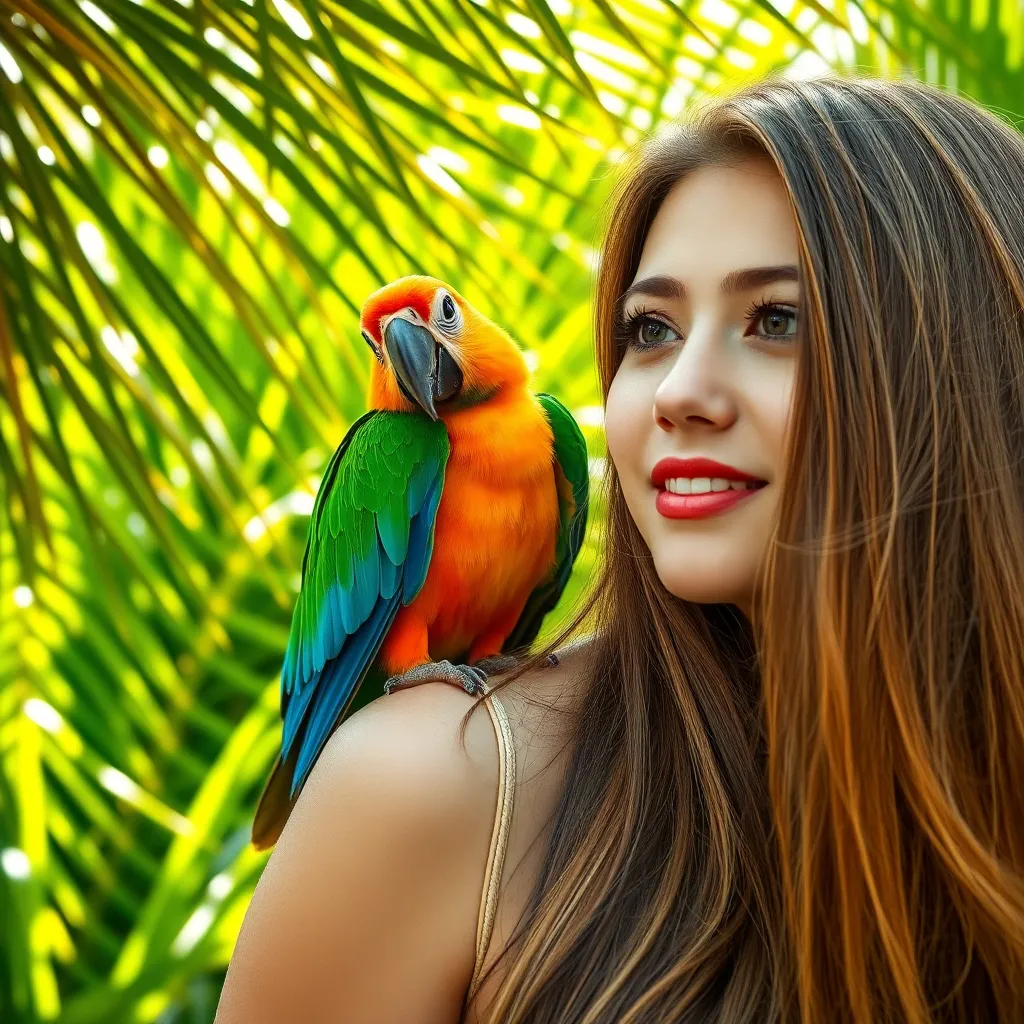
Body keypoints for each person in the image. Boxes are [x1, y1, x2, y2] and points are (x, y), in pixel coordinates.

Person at [214, 71, 1024, 1023]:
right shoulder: (430, 778)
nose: (679, 390)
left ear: (967, 359)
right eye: (651, 328)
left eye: (776, 321)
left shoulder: (538, 441)